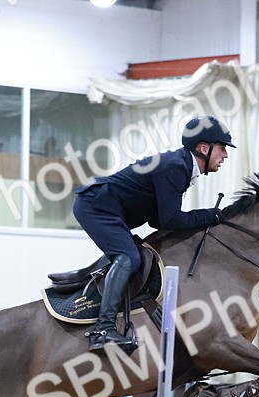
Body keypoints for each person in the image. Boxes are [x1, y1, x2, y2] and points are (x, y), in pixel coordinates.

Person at [73, 115, 235, 351]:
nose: (225, 155)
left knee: (134, 257)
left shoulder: (181, 166)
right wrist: (210, 215)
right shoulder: (176, 167)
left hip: (105, 206)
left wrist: (207, 216)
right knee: (129, 257)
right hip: (96, 205)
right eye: (222, 148)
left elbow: (159, 220)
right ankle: (103, 330)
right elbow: (170, 219)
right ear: (203, 148)